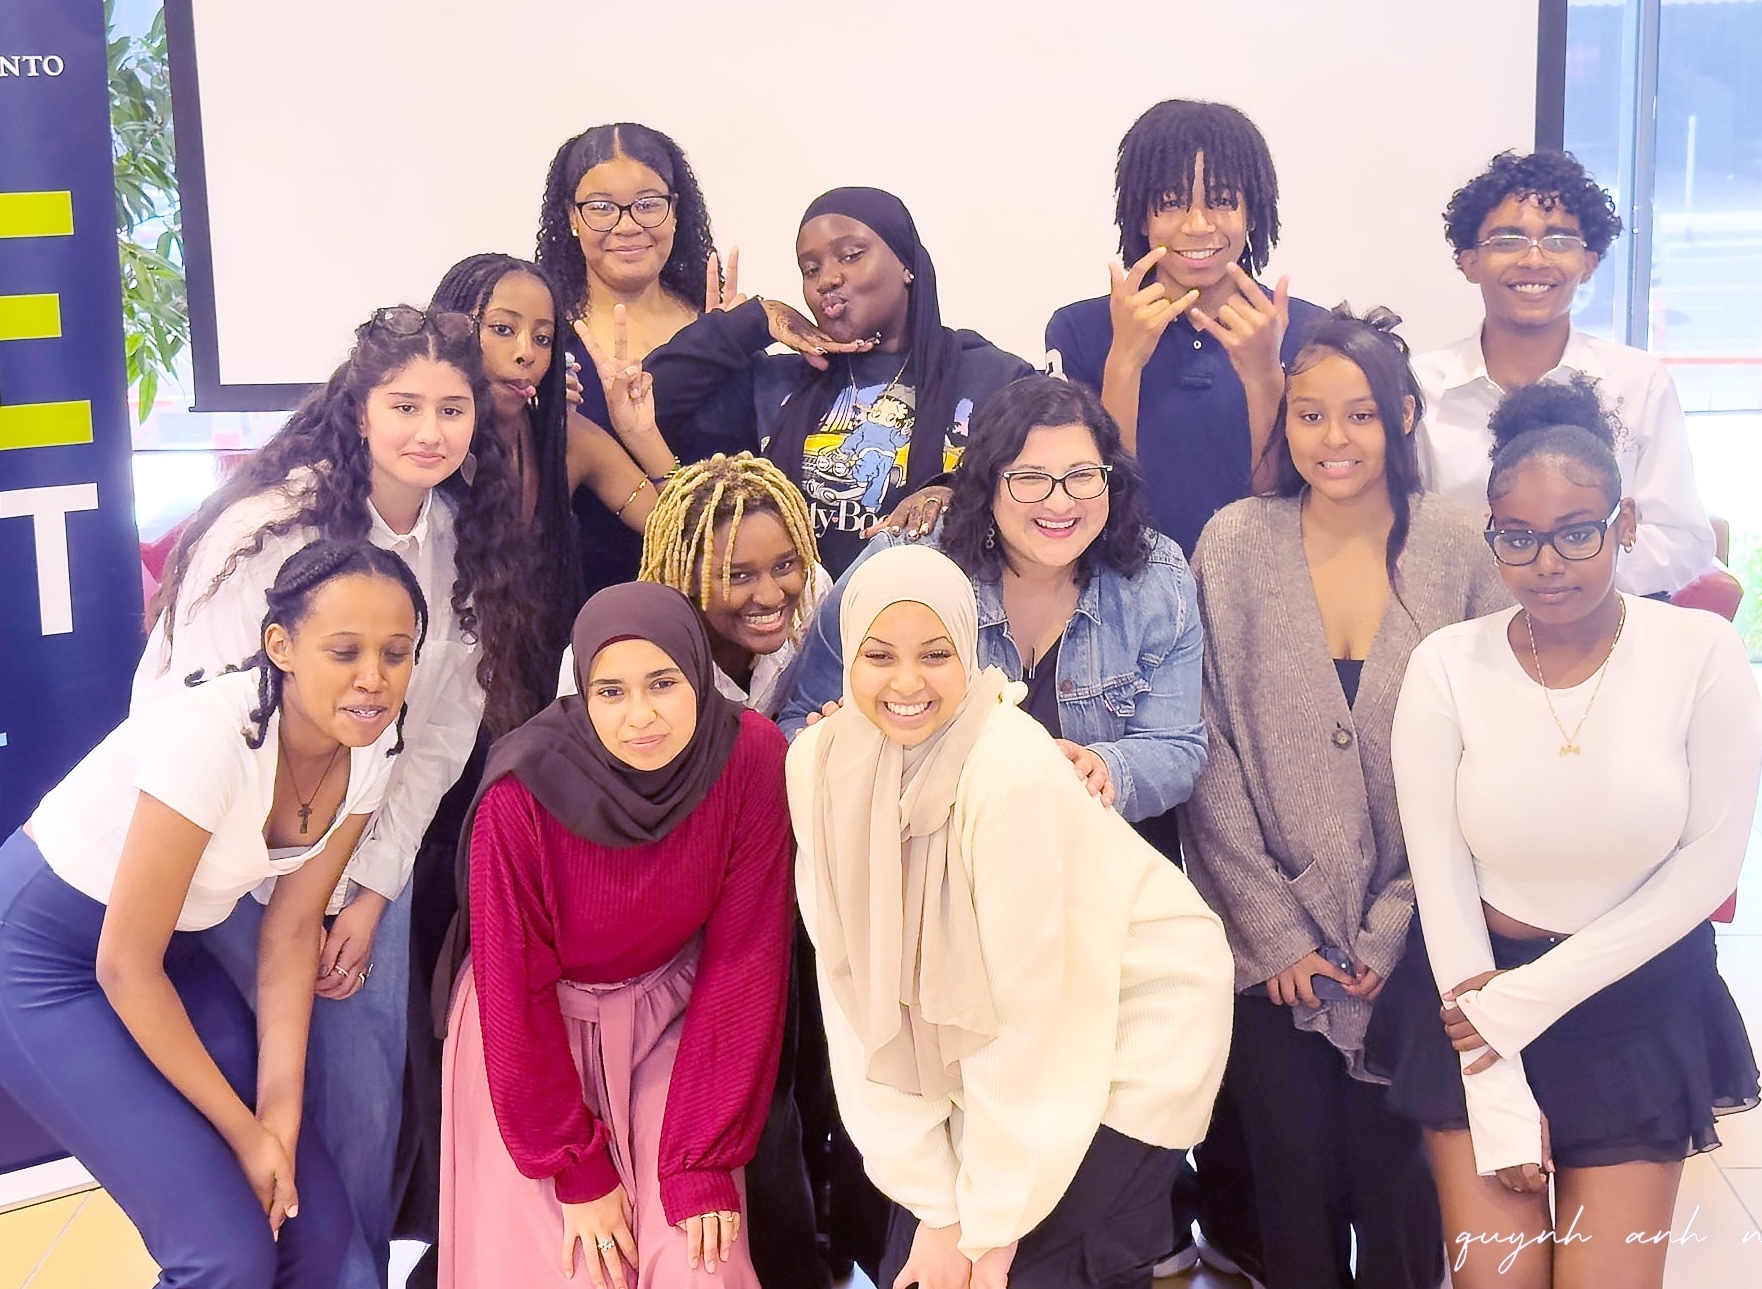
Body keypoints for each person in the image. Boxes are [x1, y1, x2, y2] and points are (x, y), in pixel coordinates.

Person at [136, 305, 544, 1289]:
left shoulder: (459, 540)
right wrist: (297, 894)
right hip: (232, 865)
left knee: (364, 1107)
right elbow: (205, 723)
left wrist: (366, 890)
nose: (429, 430)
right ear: (357, 406)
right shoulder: (265, 529)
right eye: (405, 403)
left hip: (363, 855)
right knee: (255, 1098)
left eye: (452, 408)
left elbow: (440, 733)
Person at [1366, 390, 1762, 1287]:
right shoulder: (1446, 665)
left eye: (1577, 531)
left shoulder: (1701, 654)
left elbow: (1709, 866)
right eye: (1518, 536)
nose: (1547, 563)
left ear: (1623, 525)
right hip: (1477, 1004)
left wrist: (1525, 1000)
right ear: (1492, 534)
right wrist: (1495, 1069)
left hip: (1636, 1010)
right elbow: (1441, 872)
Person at [786, 544, 1233, 1287]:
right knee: (920, 1261)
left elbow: (1034, 1022)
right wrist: (938, 1205)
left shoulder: (1010, 771)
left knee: (1039, 1269)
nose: (906, 682)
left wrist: (991, 1225)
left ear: (969, 650)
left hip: (1132, 1027)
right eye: (878, 654)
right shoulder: (819, 766)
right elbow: (852, 992)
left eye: (935, 654)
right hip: (980, 1052)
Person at [1180, 307, 1510, 1288]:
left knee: (1405, 1184)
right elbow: (1206, 745)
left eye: (1359, 415)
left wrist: (1396, 922)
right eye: (1310, 415)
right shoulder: (1234, 542)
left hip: (1418, 949)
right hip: (1272, 961)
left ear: (1402, 418)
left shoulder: (1458, 548)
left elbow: (1489, 755)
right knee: (1291, 1182)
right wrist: (1273, 929)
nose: (1333, 439)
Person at [0, 539, 425, 1289]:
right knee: (223, 1254)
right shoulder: (212, 736)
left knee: (318, 1238)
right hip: (44, 959)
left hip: (167, 957)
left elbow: (292, 930)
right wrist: (243, 1129)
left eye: (397, 652)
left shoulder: (375, 740)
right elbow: (122, 963)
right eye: (344, 650)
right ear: (282, 646)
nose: (373, 678)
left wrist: (279, 1119)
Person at [438, 584, 794, 1288]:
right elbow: (513, 991)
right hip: (534, 1048)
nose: (640, 716)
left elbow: (746, 958)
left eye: (662, 683)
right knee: (573, 1271)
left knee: (703, 1265)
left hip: (674, 1024)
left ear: (697, 671)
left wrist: (701, 1157)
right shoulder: (521, 794)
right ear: (582, 689)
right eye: (611, 691)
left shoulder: (750, 756)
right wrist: (575, 1168)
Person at [778, 374, 1206, 824]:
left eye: (1081, 476)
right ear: (987, 483)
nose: (1059, 504)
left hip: (1086, 860)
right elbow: (797, 721)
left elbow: (1176, 746)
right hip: (921, 862)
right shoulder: (901, 564)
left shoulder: (1157, 576)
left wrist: (1101, 769)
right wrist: (830, 748)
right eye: (1029, 478)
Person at [645, 186, 1036, 576]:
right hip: (796, 626)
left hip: (933, 625)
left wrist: (954, 489)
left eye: (851, 256)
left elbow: (1042, 486)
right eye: (810, 270)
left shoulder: (994, 378)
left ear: (906, 264)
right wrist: (751, 321)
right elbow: (647, 401)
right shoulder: (777, 383)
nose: (827, 279)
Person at [1412, 149, 1714, 596]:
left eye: (1558, 240)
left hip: (1606, 637)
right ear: (1469, 261)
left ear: (1589, 262)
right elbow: (1399, 533)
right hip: (1457, 633)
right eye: (1508, 240)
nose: (1534, 260)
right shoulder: (1420, 385)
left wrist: (1570, 577)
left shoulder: (1637, 382)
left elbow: (1683, 540)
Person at [1046, 98, 1329, 561]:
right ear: (1141, 215)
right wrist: (1125, 362)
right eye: (1171, 204)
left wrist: (1264, 377)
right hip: (1126, 585)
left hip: (1258, 586)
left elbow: (1295, 509)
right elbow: (1083, 502)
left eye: (1221, 201)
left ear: (1252, 213)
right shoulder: (1078, 329)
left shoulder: (1311, 331)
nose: (1198, 226)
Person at [534, 122, 740, 598]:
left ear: (674, 212)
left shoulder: (716, 322)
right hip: (579, 603)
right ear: (571, 217)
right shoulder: (542, 335)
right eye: (602, 208)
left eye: (648, 204)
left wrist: (728, 343)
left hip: (716, 591)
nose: (627, 225)